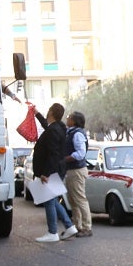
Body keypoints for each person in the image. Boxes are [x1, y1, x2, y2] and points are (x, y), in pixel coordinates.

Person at [32, 103, 78, 242]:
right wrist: (37, 114)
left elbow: (53, 154)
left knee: (48, 200)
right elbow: (48, 126)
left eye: (48, 110)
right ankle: (69, 226)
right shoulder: (58, 127)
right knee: (51, 199)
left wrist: (45, 173)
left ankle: (52, 232)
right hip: (57, 169)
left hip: (52, 170)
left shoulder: (53, 130)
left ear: (51, 112)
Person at [63, 110, 93, 237]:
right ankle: (77, 225)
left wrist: (65, 158)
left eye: (69, 117)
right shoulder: (71, 132)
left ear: (74, 121)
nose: (67, 119)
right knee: (73, 199)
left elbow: (80, 153)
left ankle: (87, 227)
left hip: (76, 170)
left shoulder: (77, 134)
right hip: (72, 170)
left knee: (80, 199)